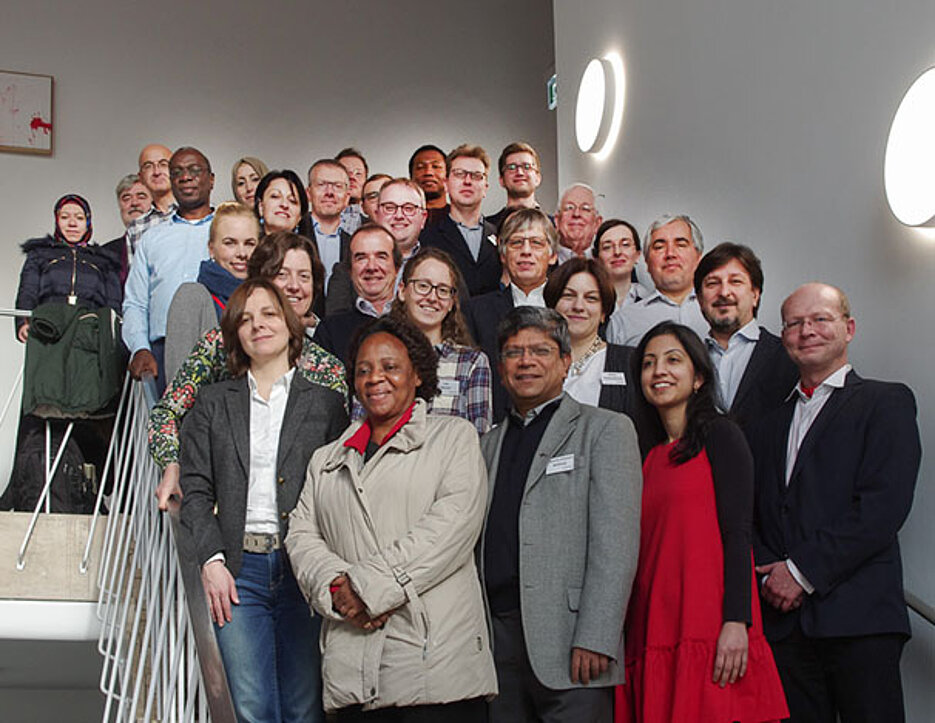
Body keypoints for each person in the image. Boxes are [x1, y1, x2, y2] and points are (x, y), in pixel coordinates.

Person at [286, 315, 498, 720]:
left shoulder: (453, 438)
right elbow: (300, 536)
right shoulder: (326, 459)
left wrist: (365, 587)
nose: (374, 378)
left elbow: (450, 527)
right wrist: (336, 588)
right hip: (352, 672)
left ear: (417, 374)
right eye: (363, 370)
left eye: (389, 367)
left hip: (436, 672)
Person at [748, 283, 921, 723]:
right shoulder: (767, 424)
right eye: (794, 323)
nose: (807, 331)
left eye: (820, 319)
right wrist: (771, 575)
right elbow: (754, 514)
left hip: (859, 620)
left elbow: (882, 507)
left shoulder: (887, 402)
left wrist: (800, 573)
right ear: (783, 336)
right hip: (784, 628)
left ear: (849, 328)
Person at [180, 277, 347, 723]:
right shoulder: (212, 403)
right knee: (252, 707)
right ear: (235, 334)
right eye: (246, 319)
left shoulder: (328, 405)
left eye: (269, 314)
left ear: (291, 325)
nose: (258, 325)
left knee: (304, 705)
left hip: (305, 566)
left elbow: (342, 491)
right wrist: (211, 560)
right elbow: (195, 488)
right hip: (238, 572)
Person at [617, 320, 788, 723]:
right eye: (648, 363)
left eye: (673, 360)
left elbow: (737, 534)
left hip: (709, 623)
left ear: (698, 377)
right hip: (654, 625)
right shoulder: (647, 455)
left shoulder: (721, 435)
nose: (659, 371)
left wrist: (736, 621)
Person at [480, 307, 641, 723]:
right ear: (501, 370)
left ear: (566, 361)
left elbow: (616, 543)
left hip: (573, 643)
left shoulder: (605, 429)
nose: (526, 361)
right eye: (514, 353)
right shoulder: (486, 445)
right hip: (497, 642)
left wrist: (598, 635)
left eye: (540, 351)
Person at [150, 231, 344, 510]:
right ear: (259, 282)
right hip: (224, 505)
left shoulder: (328, 369)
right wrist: (172, 465)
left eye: (304, 276)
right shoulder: (220, 344)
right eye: (281, 274)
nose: (294, 286)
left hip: (302, 515)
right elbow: (166, 413)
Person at [122, 146, 216, 393]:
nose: (186, 177)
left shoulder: (229, 232)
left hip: (218, 349)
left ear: (211, 179)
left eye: (195, 170)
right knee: (165, 430)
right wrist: (140, 348)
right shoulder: (152, 238)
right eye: (177, 172)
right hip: (161, 354)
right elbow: (135, 303)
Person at [464, 208, 557, 420]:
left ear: (552, 255)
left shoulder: (568, 307)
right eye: (516, 243)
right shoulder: (476, 311)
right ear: (503, 255)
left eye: (536, 243)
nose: (526, 251)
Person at [695, 242, 797, 429]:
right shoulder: (689, 361)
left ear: (755, 295)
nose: (724, 292)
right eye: (712, 283)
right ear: (700, 300)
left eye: (735, 281)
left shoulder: (789, 356)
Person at [390, 247, 492, 434]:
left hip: (450, 462)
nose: (432, 297)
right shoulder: (379, 356)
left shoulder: (471, 363)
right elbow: (361, 430)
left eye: (443, 290)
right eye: (423, 286)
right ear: (402, 291)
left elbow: (479, 439)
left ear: (452, 302)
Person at [164, 202, 260, 381]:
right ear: (211, 249)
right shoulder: (192, 298)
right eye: (230, 243)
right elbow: (178, 384)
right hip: (211, 408)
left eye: (249, 243)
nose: (242, 253)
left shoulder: (266, 300)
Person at [15, 193, 122, 342]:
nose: (72, 224)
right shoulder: (40, 254)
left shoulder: (104, 261)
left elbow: (113, 304)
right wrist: (23, 323)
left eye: (79, 218)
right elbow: (28, 292)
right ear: (57, 221)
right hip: (46, 328)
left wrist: (112, 335)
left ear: (88, 222)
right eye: (65, 217)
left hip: (90, 333)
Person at [544, 257, 635, 415]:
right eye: (569, 296)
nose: (578, 306)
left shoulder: (630, 362)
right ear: (553, 306)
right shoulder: (533, 360)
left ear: (603, 313)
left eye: (591, 298)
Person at [607, 213, 708, 346]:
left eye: (681, 245)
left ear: (698, 257)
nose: (670, 254)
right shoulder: (622, 322)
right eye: (659, 247)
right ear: (647, 262)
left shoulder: (722, 310)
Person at [419, 144, 501, 297]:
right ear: (446, 184)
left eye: (476, 175)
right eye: (459, 174)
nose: (467, 181)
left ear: (485, 187)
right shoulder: (427, 238)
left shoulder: (501, 236)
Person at [314, 224, 401, 365]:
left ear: (396, 268)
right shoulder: (330, 330)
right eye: (361, 258)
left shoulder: (415, 321)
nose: (372, 267)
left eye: (381, 257)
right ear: (350, 270)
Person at [306, 159, 353, 289]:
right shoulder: (294, 234)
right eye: (321, 184)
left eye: (337, 186)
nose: (329, 193)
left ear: (347, 197)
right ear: (309, 193)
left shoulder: (354, 245)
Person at [125, 144, 177, 260]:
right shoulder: (136, 227)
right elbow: (137, 276)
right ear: (141, 177)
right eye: (148, 166)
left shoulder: (199, 215)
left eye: (163, 164)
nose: (156, 172)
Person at [486, 142, 546, 232]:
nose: (520, 173)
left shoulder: (555, 226)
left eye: (526, 166)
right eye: (512, 167)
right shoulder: (488, 228)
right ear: (501, 180)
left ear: (538, 178)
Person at [104, 174, 152, 286]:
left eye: (141, 196)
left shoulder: (168, 243)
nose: (134, 203)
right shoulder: (106, 253)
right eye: (126, 198)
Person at [593, 219, 646, 310]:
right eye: (607, 247)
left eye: (625, 245)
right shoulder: (586, 301)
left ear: (637, 255)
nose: (617, 252)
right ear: (597, 259)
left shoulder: (649, 299)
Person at [555, 183, 603, 263]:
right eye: (569, 208)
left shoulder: (607, 264)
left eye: (585, 208)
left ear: (597, 223)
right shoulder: (542, 262)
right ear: (557, 221)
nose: (576, 214)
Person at [254, 170, 309, 236]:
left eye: (292, 200)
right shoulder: (244, 244)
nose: (284, 204)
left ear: (299, 217)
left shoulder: (309, 246)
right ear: (260, 207)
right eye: (275, 196)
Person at [408, 143, 449, 225]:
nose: (428, 172)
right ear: (411, 178)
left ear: (448, 177)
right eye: (420, 167)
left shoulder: (461, 218)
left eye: (436, 166)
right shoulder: (401, 217)